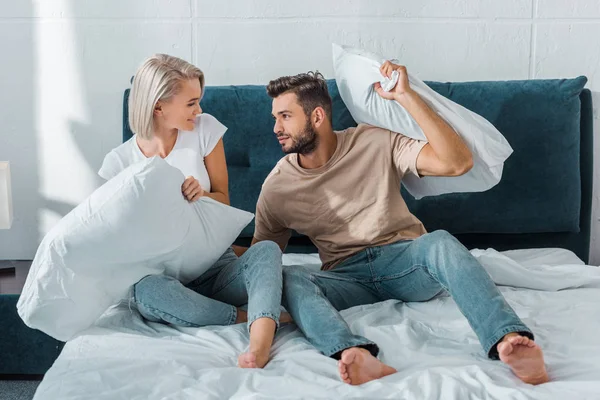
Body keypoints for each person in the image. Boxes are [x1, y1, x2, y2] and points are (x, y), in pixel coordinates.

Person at [250, 62, 549, 384]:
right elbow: (262, 260)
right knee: (290, 277)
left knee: (439, 241)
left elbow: (456, 162)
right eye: (275, 118)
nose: (276, 128)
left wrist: (406, 96)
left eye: (285, 116)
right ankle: (354, 353)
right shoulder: (278, 186)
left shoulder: (373, 141)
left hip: (406, 262)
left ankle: (508, 340)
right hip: (346, 276)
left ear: (317, 116)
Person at [98, 54, 288, 369]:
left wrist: (202, 195)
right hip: (164, 278)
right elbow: (115, 238)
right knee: (146, 293)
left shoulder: (204, 130)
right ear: (159, 106)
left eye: (198, 101)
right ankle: (244, 316)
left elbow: (224, 199)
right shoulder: (119, 163)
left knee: (267, 249)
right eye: (191, 103)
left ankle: (260, 342)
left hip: (217, 269)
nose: (198, 110)